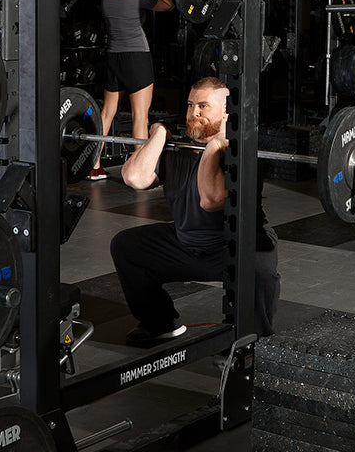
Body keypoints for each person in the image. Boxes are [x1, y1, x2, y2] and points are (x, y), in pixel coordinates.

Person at [110, 76, 280, 344]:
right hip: (186, 244)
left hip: (233, 247)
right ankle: (161, 323)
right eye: (190, 105)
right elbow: (134, 178)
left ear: (227, 112)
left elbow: (210, 200)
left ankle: (251, 344)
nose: (194, 113)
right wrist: (159, 134)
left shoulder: (242, 153)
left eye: (203, 106)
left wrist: (212, 147)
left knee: (259, 268)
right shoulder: (178, 147)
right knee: (126, 246)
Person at [87, 0, 174, 180]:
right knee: (140, 117)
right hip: (137, 59)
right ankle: (142, 172)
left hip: (114, 59)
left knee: (107, 113)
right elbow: (168, 6)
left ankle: (94, 166)